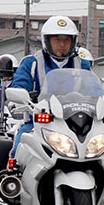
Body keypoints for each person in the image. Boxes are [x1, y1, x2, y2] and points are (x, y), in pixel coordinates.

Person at [8, 15, 92, 159]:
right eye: (57, 39)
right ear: (46, 41)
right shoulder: (32, 63)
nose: (62, 44)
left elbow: (95, 89)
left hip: (76, 125)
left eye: (67, 39)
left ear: (73, 42)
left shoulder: (82, 64)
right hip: (38, 123)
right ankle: (11, 179)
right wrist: (19, 96)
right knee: (20, 148)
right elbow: (19, 84)